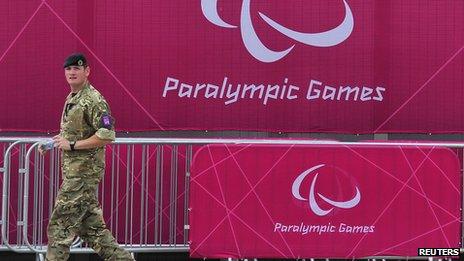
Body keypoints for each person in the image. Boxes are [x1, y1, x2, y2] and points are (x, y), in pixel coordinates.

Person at [40, 53, 134, 261]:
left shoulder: (94, 99)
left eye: (77, 69)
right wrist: (59, 140)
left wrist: (72, 145)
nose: (72, 73)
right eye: (68, 69)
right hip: (76, 175)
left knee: (59, 228)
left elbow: (106, 135)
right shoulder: (73, 97)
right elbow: (78, 131)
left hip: (82, 177)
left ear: (87, 71)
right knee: (94, 232)